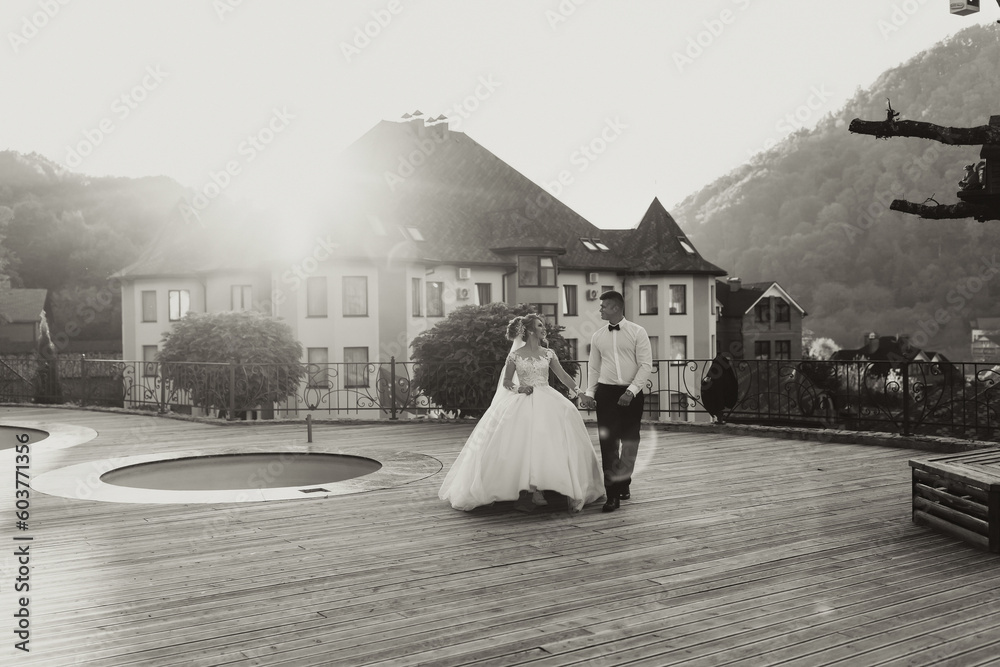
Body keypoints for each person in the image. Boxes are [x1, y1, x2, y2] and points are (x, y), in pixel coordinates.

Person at [439, 313, 605, 514]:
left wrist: (579, 393)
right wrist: (519, 389)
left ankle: (551, 486)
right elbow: (507, 382)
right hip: (523, 398)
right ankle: (527, 491)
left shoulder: (548, 353)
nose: (544, 329)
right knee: (522, 441)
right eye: (540, 325)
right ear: (530, 330)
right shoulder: (515, 356)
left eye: (543, 325)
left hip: (547, 397)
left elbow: (563, 376)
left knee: (555, 431)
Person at [579, 291, 652, 513]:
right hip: (607, 394)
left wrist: (630, 391)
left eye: (604, 306)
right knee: (608, 444)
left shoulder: (638, 332)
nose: (600, 310)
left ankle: (624, 483)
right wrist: (590, 394)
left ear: (616, 308)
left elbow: (646, 365)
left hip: (632, 394)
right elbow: (593, 368)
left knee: (630, 442)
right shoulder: (598, 336)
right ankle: (612, 496)